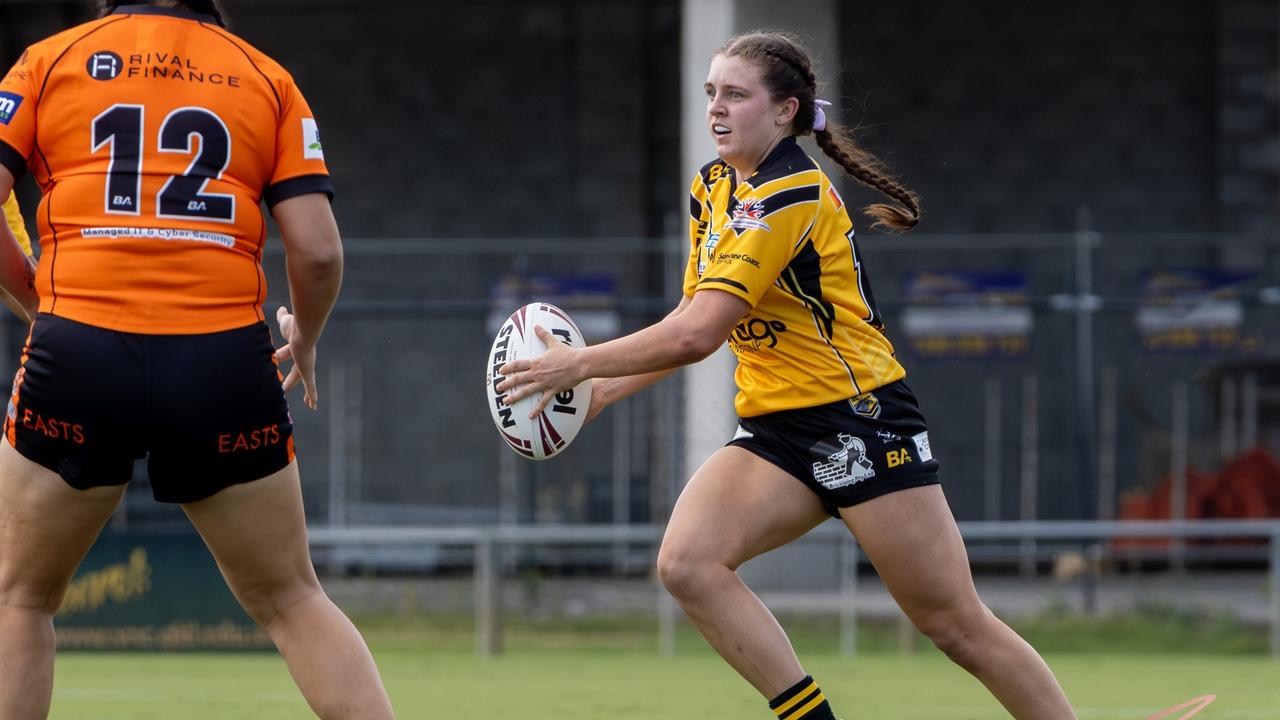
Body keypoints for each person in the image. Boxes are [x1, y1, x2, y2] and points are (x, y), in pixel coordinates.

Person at [498, 31, 1076, 720]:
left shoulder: (791, 195)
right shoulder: (712, 187)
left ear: (784, 112)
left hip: (861, 422)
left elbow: (696, 335)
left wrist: (579, 363)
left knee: (953, 625)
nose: (716, 107)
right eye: (711, 91)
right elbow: (693, 312)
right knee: (688, 565)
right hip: (778, 431)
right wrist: (601, 394)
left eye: (736, 94)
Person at [0, 2, 394, 717]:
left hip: (80, 348)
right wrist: (304, 337)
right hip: (221, 364)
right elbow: (319, 250)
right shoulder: (267, 79)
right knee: (291, 598)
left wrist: (35, 293)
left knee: (18, 597)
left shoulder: (49, 60)